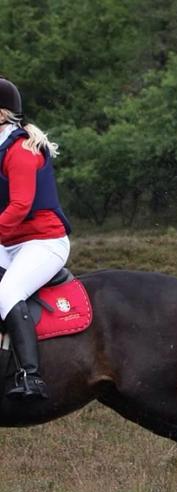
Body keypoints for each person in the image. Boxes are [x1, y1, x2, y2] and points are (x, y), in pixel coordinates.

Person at [0, 77, 71, 400]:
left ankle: (30, 375)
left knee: (8, 290)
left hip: (43, 242)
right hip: (10, 241)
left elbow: (20, 206)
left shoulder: (20, 153)